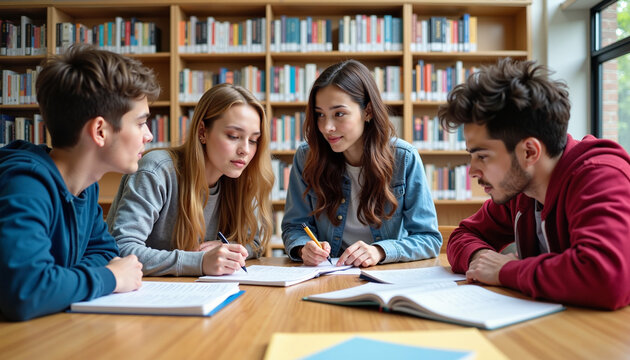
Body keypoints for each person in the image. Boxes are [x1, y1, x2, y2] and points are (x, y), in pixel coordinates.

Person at [437, 58, 630, 310]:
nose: (472, 171)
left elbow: (606, 278)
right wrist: (481, 259)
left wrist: (506, 270)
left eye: (482, 156)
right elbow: (464, 235)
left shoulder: (600, 175)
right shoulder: (521, 189)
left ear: (529, 152)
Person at [0, 45, 159, 321]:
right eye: (141, 123)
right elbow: (26, 291)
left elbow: (106, 251)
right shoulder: (26, 186)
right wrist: (110, 277)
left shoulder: (85, 186)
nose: (149, 136)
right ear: (100, 131)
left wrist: (63, 280)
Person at [282, 59, 441, 267]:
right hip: (329, 274)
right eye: (320, 114)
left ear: (367, 111)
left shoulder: (404, 158)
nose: (327, 127)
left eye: (339, 114)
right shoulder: (307, 157)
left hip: (385, 275)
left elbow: (429, 239)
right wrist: (304, 248)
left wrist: (379, 251)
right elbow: (294, 226)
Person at [106, 83, 273, 276]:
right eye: (233, 136)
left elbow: (255, 243)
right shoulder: (157, 170)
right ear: (202, 132)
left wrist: (229, 249)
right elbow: (121, 249)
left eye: (253, 140)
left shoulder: (239, 177)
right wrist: (199, 262)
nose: (245, 149)